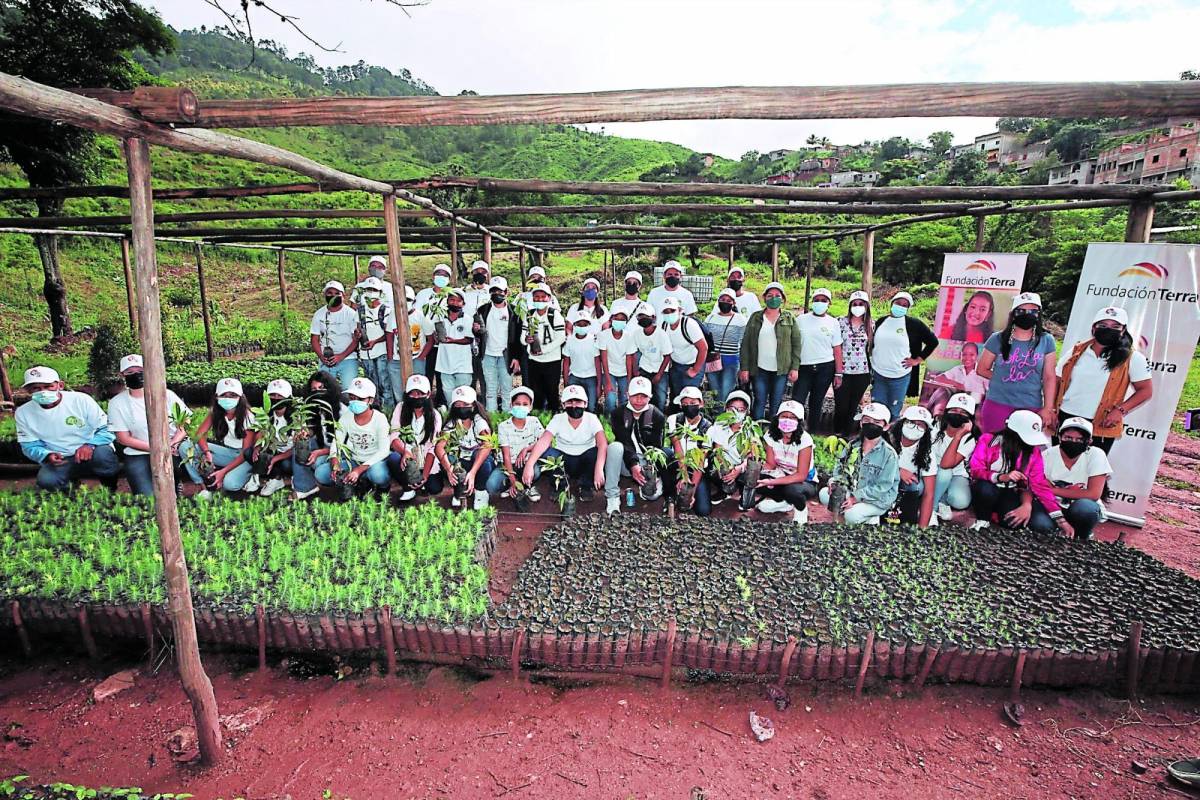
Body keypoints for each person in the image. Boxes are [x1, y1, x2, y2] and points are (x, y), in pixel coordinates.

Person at [1053, 305, 1153, 454]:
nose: (1108, 329)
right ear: (1094, 328)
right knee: (1059, 466)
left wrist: (1120, 411)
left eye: (1115, 326)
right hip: (1065, 418)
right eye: (1103, 325)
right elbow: (1057, 380)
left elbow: (1145, 390)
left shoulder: (1132, 358)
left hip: (1100, 423)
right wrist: (1052, 410)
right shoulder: (1076, 351)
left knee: (1093, 471)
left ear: (1123, 330)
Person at [16, 366, 120, 492]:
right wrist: (47, 455)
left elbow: (108, 428)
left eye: (49, 386)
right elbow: (29, 445)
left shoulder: (81, 400)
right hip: (62, 458)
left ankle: (110, 489)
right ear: (28, 391)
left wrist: (90, 445)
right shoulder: (23, 413)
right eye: (36, 388)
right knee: (47, 481)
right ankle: (71, 489)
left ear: (60, 385)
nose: (43, 392)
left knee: (103, 456)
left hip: (93, 451)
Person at [968, 408, 1070, 536]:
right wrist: (1000, 477)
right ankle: (983, 519)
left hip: (1012, 493)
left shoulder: (1034, 452)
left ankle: (996, 516)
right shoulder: (988, 440)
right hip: (987, 488)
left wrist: (1061, 521)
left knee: (1026, 523)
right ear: (1012, 433)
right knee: (985, 489)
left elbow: (1039, 485)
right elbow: (975, 470)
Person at [523, 384, 615, 511]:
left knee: (595, 453)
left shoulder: (592, 419)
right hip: (564, 461)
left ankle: (586, 485)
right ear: (563, 405)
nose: (574, 405)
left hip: (585, 461)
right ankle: (560, 485)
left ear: (585, 404)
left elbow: (602, 443)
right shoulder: (558, 419)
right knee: (547, 453)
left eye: (578, 402)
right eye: (569, 402)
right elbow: (544, 441)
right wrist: (529, 465)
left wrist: (599, 469)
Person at [107, 355, 189, 496]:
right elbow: (123, 438)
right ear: (122, 375)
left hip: (171, 448)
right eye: (129, 372)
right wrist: (156, 449)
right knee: (147, 497)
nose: (135, 375)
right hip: (138, 453)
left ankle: (176, 483)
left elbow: (184, 423)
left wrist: (173, 443)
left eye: (139, 370)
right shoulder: (117, 403)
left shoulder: (166, 395)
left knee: (173, 480)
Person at [976, 292, 1057, 434]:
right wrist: (1003, 378)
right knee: (992, 448)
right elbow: (982, 369)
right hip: (997, 405)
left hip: (1031, 407)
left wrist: (1048, 408)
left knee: (1024, 452)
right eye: (1022, 311)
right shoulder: (997, 339)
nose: (1027, 314)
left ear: (1039, 314)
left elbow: (1049, 376)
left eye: (1033, 311)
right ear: (1013, 314)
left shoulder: (1046, 340)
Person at [820, 402, 900, 525]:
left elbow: (882, 487)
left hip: (877, 499)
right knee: (824, 495)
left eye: (877, 422)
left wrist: (855, 498)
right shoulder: (852, 445)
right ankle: (853, 512)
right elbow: (840, 469)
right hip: (854, 491)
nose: (871, 424)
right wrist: (834, 482)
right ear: (861, 423)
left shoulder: (889, 454)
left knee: (852, 515)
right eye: (867, 420)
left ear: (885, 426)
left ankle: (870, 518)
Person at [316, 376, 393, 499]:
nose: (354, 401)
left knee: (378, 475)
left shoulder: (380, 419)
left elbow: (384, 451)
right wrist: (335, 462)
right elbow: (337, 442)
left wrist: (359, 469)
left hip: (375, 461)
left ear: (370, 400)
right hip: (354, 459)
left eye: (360, 399)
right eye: (352, 397)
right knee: (322, 474)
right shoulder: (346, 417)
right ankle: (359, 483)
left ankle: (383, 487)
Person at [870, 290, 939, 424]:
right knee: (877, 409)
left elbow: (932, 342)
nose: (900, 306)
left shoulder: (915, 325)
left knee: (894, 411)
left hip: (899, 376)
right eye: (898, 303)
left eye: (904, 305)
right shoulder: (881, 321)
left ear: (908, 308)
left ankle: (891, 437)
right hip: (878, 373)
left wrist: (918, 360)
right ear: (891, 303)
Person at [1042, 417, 1113, 541]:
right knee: (1040, 525)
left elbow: (1093, 494)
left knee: (1085, 509)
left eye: (1080, 439)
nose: (1073, 442)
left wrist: (1052, 490)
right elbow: (1038, 485)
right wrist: (1077, 493)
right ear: (1059, 437)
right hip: (1053, 506)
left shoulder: (1096, 454)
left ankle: (1082, 536)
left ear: (1089, 441)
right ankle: (1055, 531)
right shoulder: (1048, 455)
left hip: (1079, 508)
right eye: (1068, 438)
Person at [739, 282, 802, 421]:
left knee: (776, 402)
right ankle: (756, 433)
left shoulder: (789, 318)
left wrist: (795, 367)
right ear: (764, 298)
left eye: (777, 296)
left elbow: (796, 344)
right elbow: (746, 344)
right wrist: (744, 368)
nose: (774, 298)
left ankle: (773, 434)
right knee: (759, 400)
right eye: (770, 295)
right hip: (759, 368)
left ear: (783, 299)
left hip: (781, 370)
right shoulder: (756, 317)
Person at [185, 377, 256, 498]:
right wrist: (207, 452)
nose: (228, 399)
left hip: (243, 457)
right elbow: (199, 435)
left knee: (230, 483)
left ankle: (249, 476)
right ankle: (200, 484)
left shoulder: (248, 417)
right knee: (186, 447)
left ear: (241, 397)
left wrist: (223, 472)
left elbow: (245, 452)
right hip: (227, 452)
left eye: (233, 395)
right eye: (224, 395)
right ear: (217, 397)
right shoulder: (215, 413)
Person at [606, 375, 666, 508]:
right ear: (627, 394)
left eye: (643, 396)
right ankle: (612, 496)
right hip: (626, 462)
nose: (639, 400)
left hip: (646, 461)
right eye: (635, 396)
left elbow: (657, 446)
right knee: (615, 447)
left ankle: (654, 481)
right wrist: (633, 465)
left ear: (650, 397)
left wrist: (650, 469)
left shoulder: (657, 416)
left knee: (651, 495)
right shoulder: (618, 413)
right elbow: (624, 440)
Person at [753, 399, 817, 525]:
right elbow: (771, 464)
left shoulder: (805, 440)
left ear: (799, 422)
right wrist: (755, 467)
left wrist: (772, 481)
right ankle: (784, 503)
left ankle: (800, 509)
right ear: (777, 418)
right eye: (784, 416)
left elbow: (801, 475)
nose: (787, 420)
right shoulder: (771, 435)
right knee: (754, 479)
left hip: (804, 481)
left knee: (793, 490)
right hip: (781, 474)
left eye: (793, 418)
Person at [793, 287, 844, 432]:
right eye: (817, 300)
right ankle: (794, 431)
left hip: (825, 368)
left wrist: (838, 373)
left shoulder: (833, 322)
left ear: (829, 304)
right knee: (798, 401)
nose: (820, 303)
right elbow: (794, 344)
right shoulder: (801, 320)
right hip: (804, 367)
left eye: (823, 301)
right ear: (812, 302)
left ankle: (813, 433)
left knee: (817, 402)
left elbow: (837, 348)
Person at [435, 385, 494, 509]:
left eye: (465, 404)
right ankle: (459, 491)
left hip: (478, 463)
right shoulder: (452, 424)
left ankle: (480, 490)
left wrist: (472, 473)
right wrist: (449, 468)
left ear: (473, 406)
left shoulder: (479, 421)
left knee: (480, 455)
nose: (461, 408)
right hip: (462, 462)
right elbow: (439, 447)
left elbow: (488, 444)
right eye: (458, 405)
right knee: (450, 458)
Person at [387, 374, 444, 501]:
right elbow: (394, 437)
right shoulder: (400, 408)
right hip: (406, 457)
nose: (416, 397)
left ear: (428, 394)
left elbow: (432, 448)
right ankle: (408, 488)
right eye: (412, 394)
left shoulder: (435, 416)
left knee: (434, 488)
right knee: (393, 458)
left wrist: (424, 476)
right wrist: (405, 452)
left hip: (425, 459)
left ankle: (420, 482)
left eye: (420, 393)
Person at [486, 386, 546, 501]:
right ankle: (513, 484)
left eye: (525, 404)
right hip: (508, 465)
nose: (521, 407)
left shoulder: (534, 422)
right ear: (511, 405)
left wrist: (527, 449)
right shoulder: (504, 426)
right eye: (517, 404)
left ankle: (527, 486)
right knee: (491, 486)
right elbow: (506, 456)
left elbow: (544, 441)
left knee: (536, 471)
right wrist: (513, 481)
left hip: (528, 463)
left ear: (530, 406)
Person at [662, 386, 713, 517]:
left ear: (701, 404)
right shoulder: (673, 419)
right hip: (678, 464)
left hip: (696, 467)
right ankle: (670, 495)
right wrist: (683, 477)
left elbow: (701, 459)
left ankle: (686, 494)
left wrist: (691, 490)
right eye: (685, 404)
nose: (688, 406)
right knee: (664, 453)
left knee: (703, 510)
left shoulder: (708, 427)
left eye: (692, 403)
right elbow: (678, 448)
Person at [705, 389, 759, 510]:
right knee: (716, 467)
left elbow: (752, 455)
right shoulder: (719, 426)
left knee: (754, 466)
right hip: (727, 466)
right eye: (732, 408)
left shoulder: (751, 428)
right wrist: (729, 470)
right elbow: (718, 452)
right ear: (726, 409)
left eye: (741, 410)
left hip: (743, 467)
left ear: (747, 412)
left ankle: (747, 497)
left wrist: (739, 469)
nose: (736, 413)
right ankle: (726, 490)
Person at [929, 393, 978, 522]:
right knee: (943, 473)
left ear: (969, 419)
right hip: (930, 468)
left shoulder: (969, 439)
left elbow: (947, 464)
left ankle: (942, 498)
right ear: (946, 411)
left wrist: (958, 436)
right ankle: (931, 509)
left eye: (963, 412)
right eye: (954, 410)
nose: (957, 414)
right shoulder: (934, 426)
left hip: (955, 474)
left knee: (960, 501)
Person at [291, 370, 340, 500]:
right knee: (301, 444)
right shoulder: (313, 407)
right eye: (314, 389)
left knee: (319, 468)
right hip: (325, 445)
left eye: (321, 388)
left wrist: (321, 452)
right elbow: (314, 428)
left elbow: (344, 443)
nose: (318, 392)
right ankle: (304, 486)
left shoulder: (341, 408)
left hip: (340, 451)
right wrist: (305, 433)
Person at [476, 276, 522, 413]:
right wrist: (476, 330)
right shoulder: (482, 310)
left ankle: (507, 417)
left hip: (506, 356)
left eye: (500, 291)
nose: (497, 294)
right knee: (490, 389)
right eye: (493, 291)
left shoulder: (514, 312)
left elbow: (518, 336)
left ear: (506, 292)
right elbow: (479, 334)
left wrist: (516, 357)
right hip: (488, 354)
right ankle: (492, 418)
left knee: (507, 388)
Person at [245, 378, 296, 497]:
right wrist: (257, 447)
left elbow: (296, 448)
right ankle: (268, 478)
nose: (276, 398)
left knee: (286, 465)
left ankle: (280, 478)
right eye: (272, 395)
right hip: (272, 451)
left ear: (289, 398)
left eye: (280, 396)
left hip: (287, 455)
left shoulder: (296, 417)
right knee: (249, 453)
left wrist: (275, 459)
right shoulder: (265, 414)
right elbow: (260, 432)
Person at [520, 283, 567, 411]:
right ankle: (538, 420)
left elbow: (561, 338)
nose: (539, 299)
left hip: (552, 361)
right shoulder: (529, 315)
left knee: (552, 393)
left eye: (543, 297)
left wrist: (543, 350)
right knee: (536, 393)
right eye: (536, 297)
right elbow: (522, 338)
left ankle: (553, 419)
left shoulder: (554, 315)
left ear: (549, 298)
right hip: (534, 360)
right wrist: (526, 340)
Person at [833, 290, 874, 435]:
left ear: (866, 306)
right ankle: (837, 432)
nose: (858, 307)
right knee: (841, 405)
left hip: (862, 373)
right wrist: (837, 372)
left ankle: (847, 434)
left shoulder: (871, 325)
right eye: (855, 304)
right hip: (842, 371)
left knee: (852, 406)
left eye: (861, 304)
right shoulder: (840, 322)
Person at [889, 405, 937, 527]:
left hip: (906, 487)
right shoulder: (887, 439)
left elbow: (929, 493)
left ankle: (905, 516)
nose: (915, 427)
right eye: (911, 422)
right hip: (882, 481)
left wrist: (922, 528)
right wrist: (897, 471)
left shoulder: (927, 452)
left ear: (926, 430)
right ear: (902, 422)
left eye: (921, 425)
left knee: (916, 486)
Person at [423, 288, 475, 399]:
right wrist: (436, 337)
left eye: (458, 301)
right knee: (448, 394)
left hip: (463, 365)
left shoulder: (467, 319)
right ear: (447, 301)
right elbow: (434, 337)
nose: (455, 303)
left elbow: (469, 339)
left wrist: (453, 341)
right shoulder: (439, 318)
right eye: (452, 300)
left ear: (463, 304)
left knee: (463, 394)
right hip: (444, 364)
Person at [354, 276, 396, 412]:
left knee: (385, 382)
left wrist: (375, 341)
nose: (371, 292)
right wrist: (358, 335)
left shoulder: (386, 310)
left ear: (380, 292)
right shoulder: (360, 311)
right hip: (366, 353)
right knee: (371, 383)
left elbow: (389, 333)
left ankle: (389, 411)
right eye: (368, 289)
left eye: (374, 290)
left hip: (382, 351)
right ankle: (375, 410)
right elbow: (358, 328)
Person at [309, 280, 360, 391]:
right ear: (325, 295)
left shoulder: (351, 314)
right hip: (326, 359)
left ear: (343, 295)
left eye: (337, 293)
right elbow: (314, 339)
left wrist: (341, 356)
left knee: (348, 389)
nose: (333, 296)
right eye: (330, 293)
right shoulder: (318, 314)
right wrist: (322, 357)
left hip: (348, 358)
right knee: (324, 390)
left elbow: (355, 340)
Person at [415, 263, 454, 405]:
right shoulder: (423, 294)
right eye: (439, 274)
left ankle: (441, 402)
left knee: (443, 374)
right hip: (426, 342)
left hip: (445, 343)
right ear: (433, 276)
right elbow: (416, 316)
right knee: (427, 372)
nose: (441, 277)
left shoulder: (452, 294)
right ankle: (425, 402)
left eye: (445, 275)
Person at [660, 295, 708, 407]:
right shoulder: (664, 325)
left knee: (690, 397)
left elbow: (703, 348)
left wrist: (695, 370)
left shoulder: (689, 325)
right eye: (666, 311)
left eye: (672, 310)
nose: (669, 313)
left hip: (693, 363)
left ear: (680, 310)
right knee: (677, 396)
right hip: (676, 365)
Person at [703, 289, 748, 403]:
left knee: (726, 391)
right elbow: (704, 339)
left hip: (731, 360)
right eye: (722, 299)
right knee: (715, 391)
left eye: (728, 300)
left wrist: (743, 366)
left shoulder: (740, 320)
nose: (725, 302)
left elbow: (744, 343)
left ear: (733, 303)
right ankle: (717, 417)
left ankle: (724, 417)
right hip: (713, 360)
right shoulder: (710, 318)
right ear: (718, 301)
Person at [627, 302, 673, 411]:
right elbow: (632, 353)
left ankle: (659, 421)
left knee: (660, 398)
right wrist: (635, 371)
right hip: (645, 368)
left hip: (660, 369)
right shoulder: (636, 334)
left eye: (646, 316)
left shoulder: (661, 334)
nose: (643, 319)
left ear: (653, 318)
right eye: (641, 316)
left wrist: (659, 375)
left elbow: (667, 356)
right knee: (643, 397)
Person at [392, 284, 425, 407]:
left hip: (416, 357)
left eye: (408, 300)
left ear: (414, 301)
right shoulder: (393, 315)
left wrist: (422, 356)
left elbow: (431, 337)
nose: (405, 303)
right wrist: (391, 356)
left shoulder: (420, 316)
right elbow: (389, 334)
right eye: (403, 300)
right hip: (397, 358)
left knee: (418, 386)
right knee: (398, 388)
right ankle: (401, 410)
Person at [562, 314, 603, 411]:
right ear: (575, 325)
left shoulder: (593, 340)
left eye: (585, 324)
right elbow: (566, 362)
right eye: (579, 324)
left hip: (591, 377)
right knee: (573, 406)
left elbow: (597, 363)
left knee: (591, 407)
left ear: (589, 325)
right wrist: (566, 380)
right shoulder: (570, 340)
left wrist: (599, 383)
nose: (582, 327)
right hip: (574, 376)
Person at [598, 308, 636, 411]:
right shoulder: (603, 335)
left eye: (622, 319)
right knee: (610, 399)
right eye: (617, 318)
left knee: (625, 399)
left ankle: (623, 422)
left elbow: (629, 359)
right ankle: (608, 422)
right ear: (611, 319)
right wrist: (608, 381)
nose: (619, 321)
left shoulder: (629, 336)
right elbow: (604, 358)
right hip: (609, 371)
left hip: (624, 372)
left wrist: (629, 381)